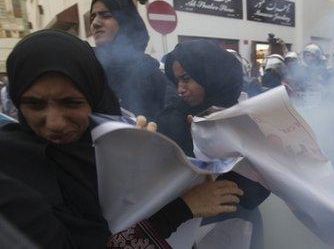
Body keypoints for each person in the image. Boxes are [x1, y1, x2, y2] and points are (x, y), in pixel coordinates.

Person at [1, 30, 243, 248]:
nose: (54, 122)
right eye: (34, 104)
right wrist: (181, 210)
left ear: (94, 96)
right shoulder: (11, 167)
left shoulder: (109, 141)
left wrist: (144, 163)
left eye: (71, 103)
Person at [158, 40, 270, 248]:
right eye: (176, 81)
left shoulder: (243, 116)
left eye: (187, 79)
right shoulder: (173, 119)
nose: (180, 89)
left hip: (239, 225)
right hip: (189, 228)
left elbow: (259, 190)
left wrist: (224, 141)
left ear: (211, 76)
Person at [90, 0, 177, 121]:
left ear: (125, 22)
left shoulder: (147, 72)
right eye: (92, 17)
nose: (95, 23)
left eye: (106, 15)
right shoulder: (88, 67)